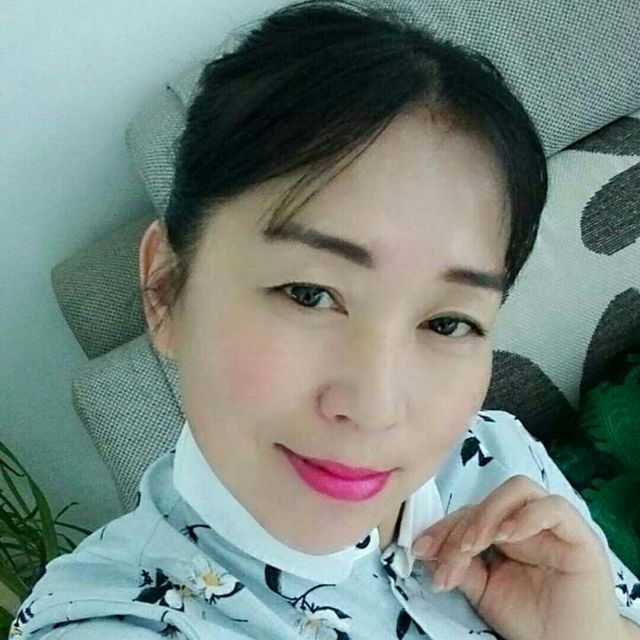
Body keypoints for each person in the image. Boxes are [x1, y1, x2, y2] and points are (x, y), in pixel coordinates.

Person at [12, 1, 640, 638]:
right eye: (309, 294)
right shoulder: (118, 621)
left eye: (448, 323)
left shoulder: (501, 463)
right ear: (164, 290)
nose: (374, 407)